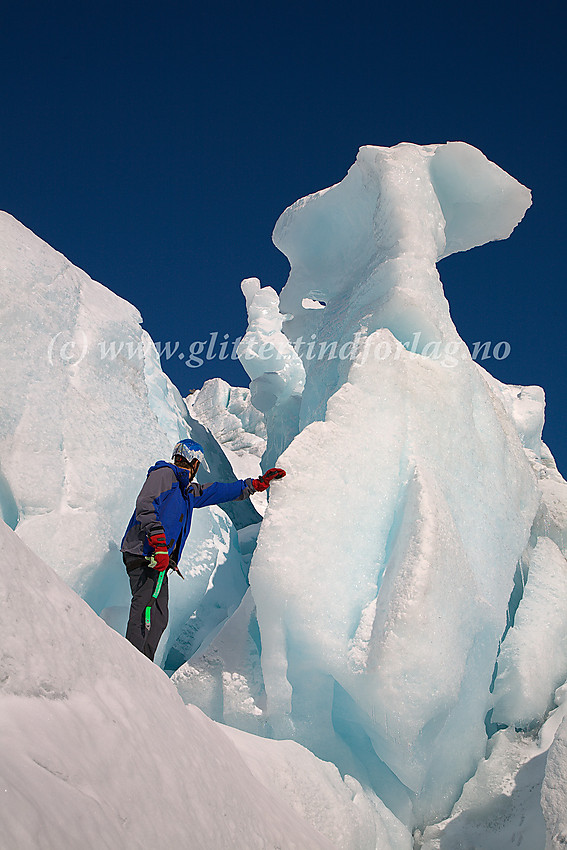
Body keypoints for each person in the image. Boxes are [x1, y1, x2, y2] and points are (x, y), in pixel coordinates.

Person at [121, 438, 285, 661]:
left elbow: (217, 491)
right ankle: (130, 664)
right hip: (144, 553)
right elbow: (146, 505)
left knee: (158, 616)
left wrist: (254, 485)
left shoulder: (186, 491)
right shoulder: (164, 474)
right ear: (194, 462)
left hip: (157, 558)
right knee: (145, 609)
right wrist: (159, 544)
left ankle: (141, 665)